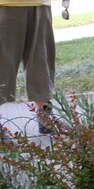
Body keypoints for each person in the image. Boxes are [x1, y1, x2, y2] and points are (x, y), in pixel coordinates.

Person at [0, 0, 57, 134]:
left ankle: (45, 116)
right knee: (2, 66)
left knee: (42, 62)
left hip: (40, 4)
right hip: (4, 5)